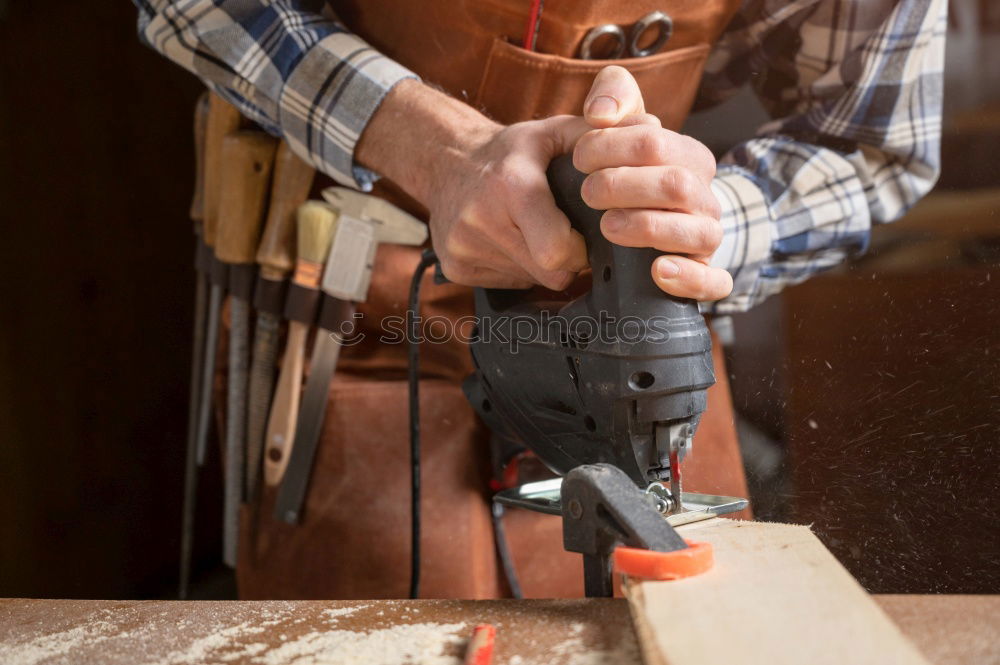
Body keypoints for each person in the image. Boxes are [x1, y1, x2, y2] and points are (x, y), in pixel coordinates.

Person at [135, 0, 944, 599]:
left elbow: (872, 142)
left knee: (690, 621)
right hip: (357, 303)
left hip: (637, 314)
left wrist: (690, 224)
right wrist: (434, 147)